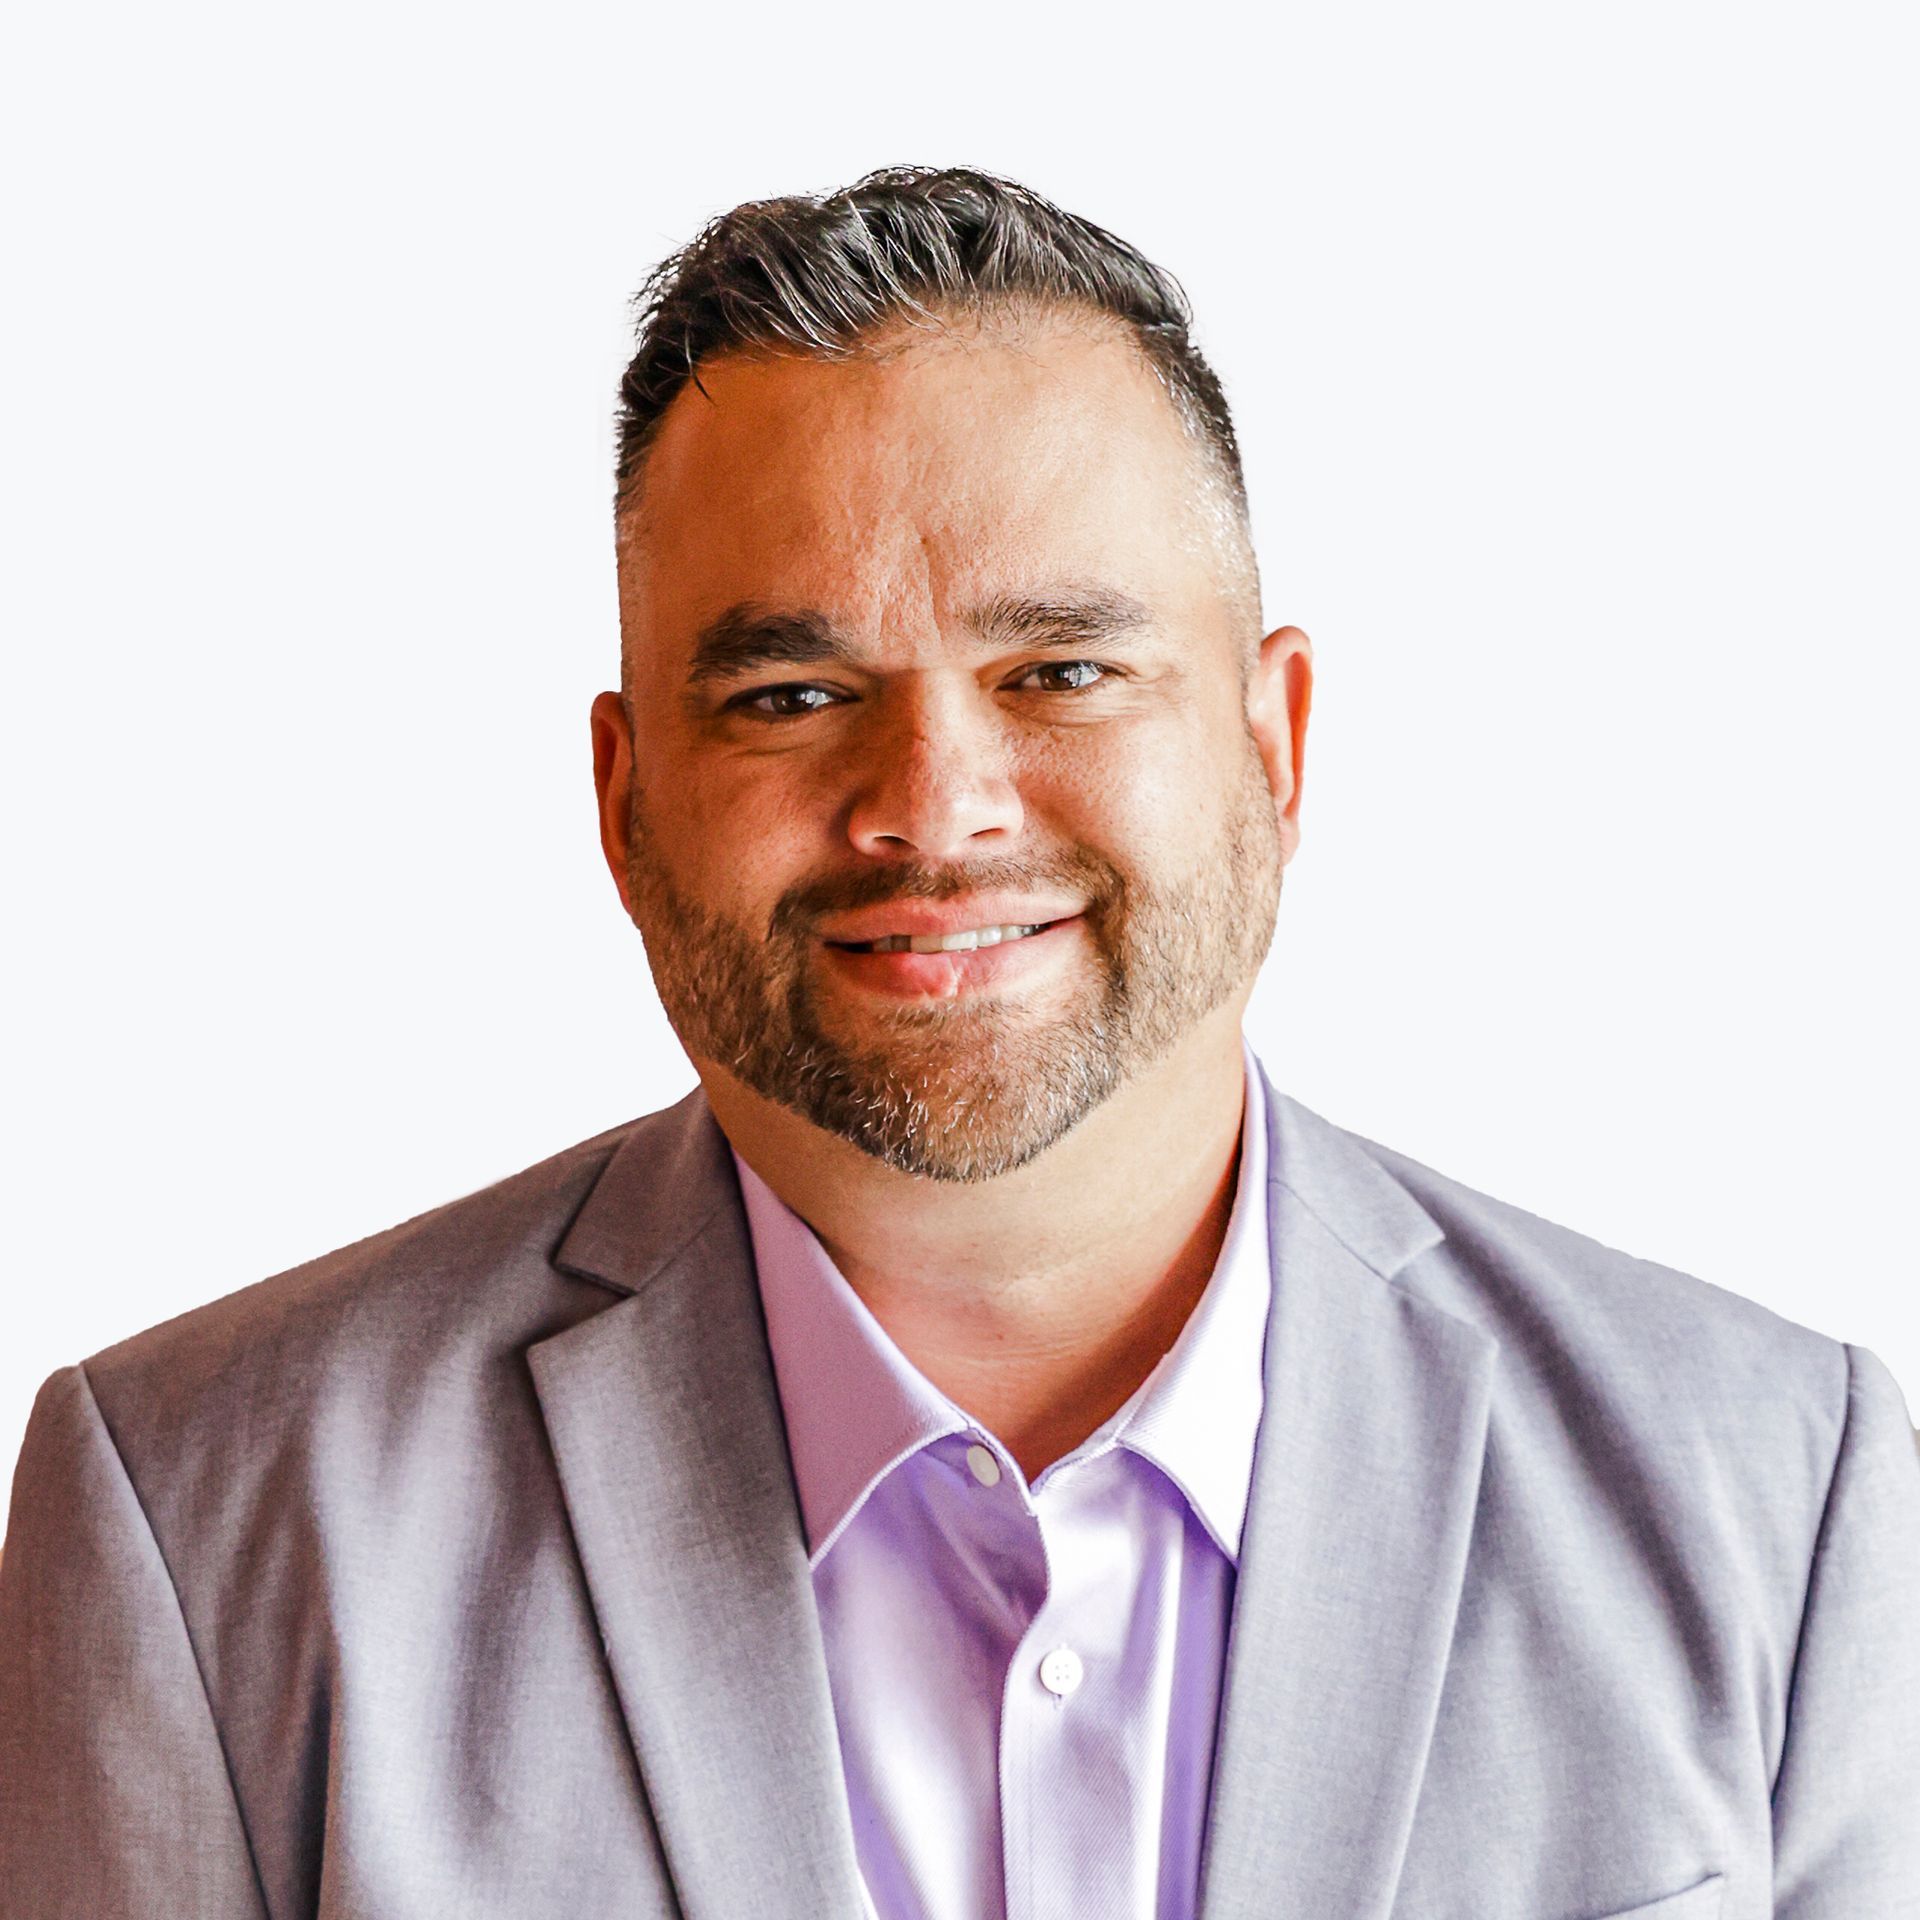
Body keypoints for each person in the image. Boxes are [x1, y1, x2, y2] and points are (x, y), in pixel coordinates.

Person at [1, 166, 1914, 1920]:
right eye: (790, 691)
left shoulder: (1782, 1499)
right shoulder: (201, 1516)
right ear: (623, 799)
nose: (933, 803)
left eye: (1061, 670)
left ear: (1276, 743)